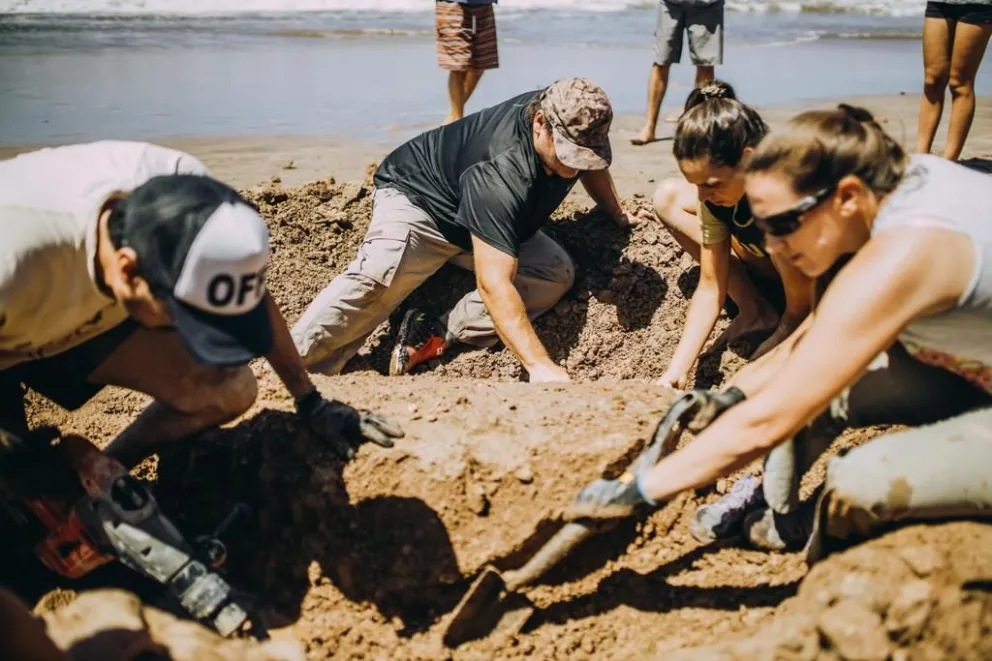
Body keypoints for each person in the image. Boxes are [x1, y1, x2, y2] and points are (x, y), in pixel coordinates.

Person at [565, 105, 992, 563]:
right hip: (967, 365)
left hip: (969, 376)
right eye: (765, 229)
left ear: (846, 196)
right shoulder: (898, 182)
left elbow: (769, 419)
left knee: (857, 482)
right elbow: (815, 342)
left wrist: (642, 490)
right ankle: (778, 511)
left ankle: (824, 529)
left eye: (785, 226)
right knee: (818, 391)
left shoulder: (908, 252)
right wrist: (730, 397)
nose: (772, 248)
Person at [0, 141, 402, 469]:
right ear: (128, 270)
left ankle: (107, 479)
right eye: (185, 317)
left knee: (227, 388)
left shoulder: (197, 205)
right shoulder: (14, 256)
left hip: (83, 306)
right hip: (21, 309)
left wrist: (309, 400)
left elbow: (250, 292)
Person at [291, 78, 639, 383]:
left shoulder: (570, 113)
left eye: (585, 155)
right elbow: (493, 284)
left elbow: (590, 163)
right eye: (569, 154)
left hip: (491, 215)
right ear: (539, 124)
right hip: (422, 205)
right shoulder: (500, 173)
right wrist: (539, 366)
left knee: (553, 274)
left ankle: (433, 330)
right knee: (378, 277)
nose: (575, 164)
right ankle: (293, 365)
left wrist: (617, 213)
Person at [645, 81, 811, 390]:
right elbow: (710, 287)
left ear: (748, 158)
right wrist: (676, 370)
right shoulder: (716, 201)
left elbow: (802, 310)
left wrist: (762, 359)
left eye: (712, 184)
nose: (703, 196)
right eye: (695, 185)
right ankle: (756, 309)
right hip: (783, 282)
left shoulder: (785, 201)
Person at [631, 0, 725, 146]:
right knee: (661, 60)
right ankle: (649, 128)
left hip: (707, 4)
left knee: (705, 63)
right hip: (671, 4)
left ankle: (697, 129)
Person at [916, 0, 992, 161]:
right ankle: (921, 157)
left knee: (960, 83)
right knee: (932, 80)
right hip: (940, 3)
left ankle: (950, 160)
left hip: (979, 4)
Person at [436, 0, 500, 125]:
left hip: (484, 4)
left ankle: (454, 115)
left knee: (480, 65)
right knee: (458, 65)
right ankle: (457, 118)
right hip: (453, 4)